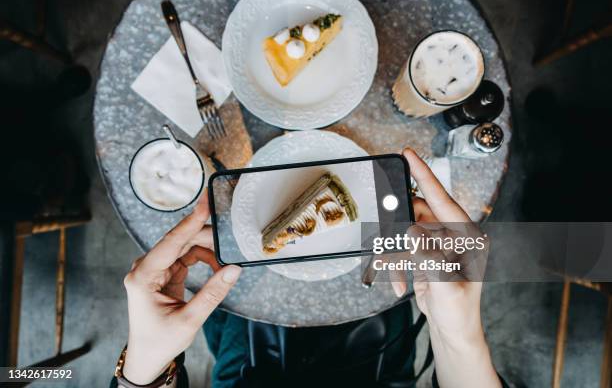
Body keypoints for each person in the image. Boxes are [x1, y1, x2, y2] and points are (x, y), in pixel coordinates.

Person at [112, 149, 505, 388]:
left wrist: (143, 370)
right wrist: (459, 339)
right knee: (387, 283)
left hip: (248, 371)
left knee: (236, 297)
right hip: (373, 365)